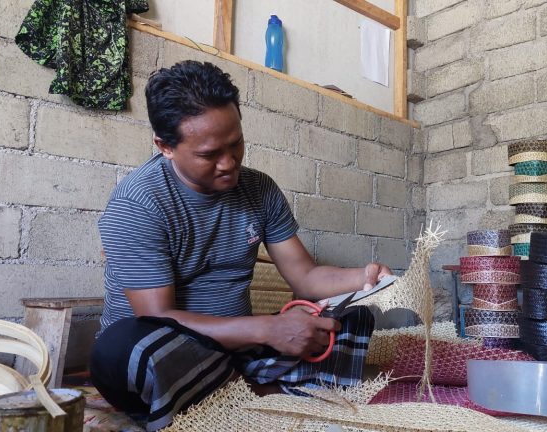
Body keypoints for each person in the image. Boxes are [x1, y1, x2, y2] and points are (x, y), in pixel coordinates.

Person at [90, 60, 392, 431]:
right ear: (165, 146)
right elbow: (160, 315)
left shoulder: (259, 189)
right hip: (172, 352)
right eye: (209, 154)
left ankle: (238, 387)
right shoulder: (138, 203)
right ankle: (258, 388)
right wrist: (268, 330)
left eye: (236, 145)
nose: (228, 163)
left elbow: (307, 277)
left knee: (350, 313)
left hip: (239, 346)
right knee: (121, 348)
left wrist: (362, 277)